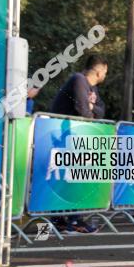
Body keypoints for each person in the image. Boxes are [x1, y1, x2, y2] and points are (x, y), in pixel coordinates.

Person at [49, 54, 109, 234]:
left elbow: (101, 110)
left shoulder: (92, 88)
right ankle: (74, 221)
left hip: (75, 137)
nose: (105, 75)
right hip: (64, 136)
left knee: (74, 178)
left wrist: (92, 110)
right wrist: (90, 110)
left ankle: (62, 219)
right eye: (105, 71)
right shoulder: (78, 80)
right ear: (99, 71)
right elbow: (83, 111)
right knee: (80, 177)